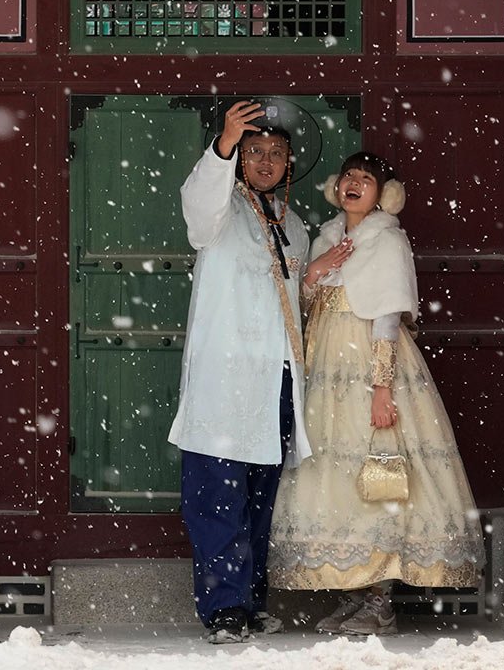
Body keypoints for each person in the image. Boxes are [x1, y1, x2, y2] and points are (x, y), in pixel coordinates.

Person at [268, 152, 481, 636]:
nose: (354, 184)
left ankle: (381, 600)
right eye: (349, 177)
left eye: (366, 179)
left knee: (377, 473)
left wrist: (382, 388)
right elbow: (305, 305)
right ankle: (354, 590)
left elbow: (387, 317)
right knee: (334, 476)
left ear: (382, 193)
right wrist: (314, 271)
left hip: (368, 365)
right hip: (327, 370)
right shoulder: (326, 236)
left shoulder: (386, 239)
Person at [170, 100, 313, 644]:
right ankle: (223, 608)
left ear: (290, 163)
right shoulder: (221, 210)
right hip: (225, 381)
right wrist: (222, 146)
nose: (266, 161)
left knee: (259, 498)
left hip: (276, 379)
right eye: (255, 151)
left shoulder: (293, 223)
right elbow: (197, 206)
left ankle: (250, 599)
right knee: (216, 498)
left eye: (276, 153)